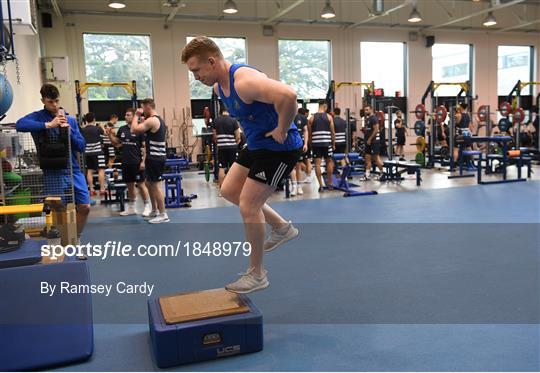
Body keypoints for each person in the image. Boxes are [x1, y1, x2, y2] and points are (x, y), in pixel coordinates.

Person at [182, 36, 302, 293]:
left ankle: (257, 274)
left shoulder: (244, 81)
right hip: (258, 145)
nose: (196, 77)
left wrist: (282, 128)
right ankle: (282, 227)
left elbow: (289, 95)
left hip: (279, 149)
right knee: (228, 190)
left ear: (212, 61)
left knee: (249, 205)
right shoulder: (219, 88)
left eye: (196, 71)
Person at [16, 84, 90, 243]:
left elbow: (82, 146)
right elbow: (19, 125)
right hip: (52, 171)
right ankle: (66, 242)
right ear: (43, 100)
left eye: (56, 101)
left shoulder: (69, 119)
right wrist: (48, 125)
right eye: (50, 102)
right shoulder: (38, 117)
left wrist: (69, 132)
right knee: (59, 210)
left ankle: (74, 237)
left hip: (72, 169)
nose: (54, 105)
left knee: (84, 207)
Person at [129, 99, 169, 224]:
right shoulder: (155, 120)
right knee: (148, 183)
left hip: (156, 158)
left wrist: (136, 115)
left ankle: (163, 214)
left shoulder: (152, 120)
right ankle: (155, 210)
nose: (141, 111)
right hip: (153, 157)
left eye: (142, 108)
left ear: (147, 107)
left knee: (155, 185)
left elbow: (133, 130)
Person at [107, 108, 151, 216]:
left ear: (134, 116)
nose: (126, 116)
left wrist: (143, 162)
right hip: (126, 162)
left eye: (128, 115)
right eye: (125, 115)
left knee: (141, 185)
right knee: (130, 186)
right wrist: (109, 135)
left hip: (137, 162)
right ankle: (132, 208)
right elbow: (117, 143)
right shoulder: (122, 129)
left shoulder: (140, 129)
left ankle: (147, 206)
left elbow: (145, 147)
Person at [308, 100, 335, 192]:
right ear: (325, 106)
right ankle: (330, 184)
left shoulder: (311, 118)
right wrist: (333, 144)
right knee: (329, 162)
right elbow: (333, 133)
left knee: (317, 164)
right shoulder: (329, 117)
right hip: (327, 143)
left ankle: (321, 185)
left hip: (316, 144)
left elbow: (310, 134)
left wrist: (311, 144)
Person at [212, 108, 241, 187]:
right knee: (233, 168)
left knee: (221, 168)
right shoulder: (233, 120)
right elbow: (238, 136)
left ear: (221, 111)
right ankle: (233, 187)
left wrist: (219, 143)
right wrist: (235, 143)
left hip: (221, 148)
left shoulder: (216, 121)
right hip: (232, 148)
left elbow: (214, 137)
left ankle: (221, 189)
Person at [81, 112, 106, 196]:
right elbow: (105, 133)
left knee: (89, 171)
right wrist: (102, 126)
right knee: (101, 170)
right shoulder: (97, 128)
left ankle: (91, 189)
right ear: (94, 119)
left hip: (87, 153)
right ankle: (102, 189)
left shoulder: (83, 130)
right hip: (98, 152)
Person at [290, 107, 309, 196]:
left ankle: (299, 186)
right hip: (289, 144)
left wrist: (305, 144)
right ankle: (293, 186)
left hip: (299, 145)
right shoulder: (287, 115)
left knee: (298, 165)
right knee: (291, 166)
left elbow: (305, 131)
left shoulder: (302, 118)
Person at [363, 105, 384, 179]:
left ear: (371, 110)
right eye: (365, 110)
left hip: (374, 142)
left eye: (367, 110)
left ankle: (382, 173)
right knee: (367, 158)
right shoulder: (367, 119)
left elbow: (376, 129)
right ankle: (367, 175)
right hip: (368, 142)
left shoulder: (374, 118)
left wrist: (370, 139)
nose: (366, 111)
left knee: (376, 158)